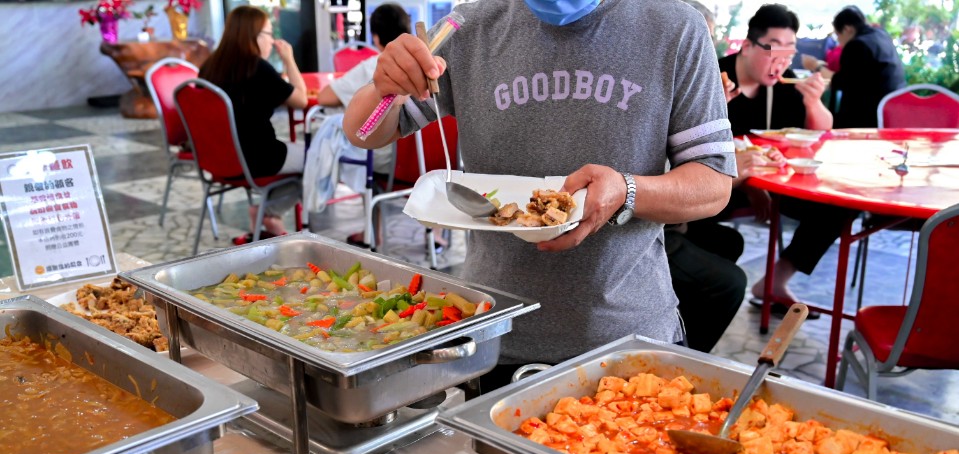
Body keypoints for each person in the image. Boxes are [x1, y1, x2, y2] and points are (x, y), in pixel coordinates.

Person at [344, 0, 736, 390]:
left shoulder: (676, 28)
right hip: (498, 331)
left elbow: (714, 184)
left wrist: (627, 190)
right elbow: (363, 131)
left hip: (627, 339)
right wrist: (385, 87)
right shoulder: (466, 27)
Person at [695, 3, 855, 315]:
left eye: (790, 50)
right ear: (747, 46)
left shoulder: (787, 84)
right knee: (711, 229)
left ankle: (775, 282)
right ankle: (700, 289)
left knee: (838, 205)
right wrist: (751, 186)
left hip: (777, 181)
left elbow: (820, 137)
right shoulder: (714, 76)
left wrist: (813, 102)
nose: (782, 60)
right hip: (720, 180)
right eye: (774, 49)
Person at [664, 0, 748, 354]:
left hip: (675, 219)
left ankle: (683, 320)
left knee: (729, 243)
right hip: (654, 223)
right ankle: (685, 356)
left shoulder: (703, 85)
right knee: (728, 283)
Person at [199, 5, 308, 241]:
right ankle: (268, 212)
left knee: (310, 154)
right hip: (258, 156)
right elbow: (300, 100)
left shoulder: (209, 66)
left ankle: (266, 215)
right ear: (254, 36)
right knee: (319, 155)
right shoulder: (257, 67)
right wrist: (289, 59)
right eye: (269, 34)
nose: (271, 41)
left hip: (217, 158)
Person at [313, 3, 411, 175]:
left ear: (375, 37)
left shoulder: (374, 66)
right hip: (425, 165)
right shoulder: (427, 66)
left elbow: (324, 97)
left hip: (381, 157)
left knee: (320, 134)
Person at [801, 6, 905, 128]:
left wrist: (815, 66)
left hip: (869, 113)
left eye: (838, 35)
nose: (838, 41)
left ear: (847, 29)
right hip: (893, 106)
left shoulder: (857, 44)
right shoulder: (881, 34)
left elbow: (841, 81)